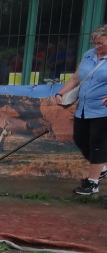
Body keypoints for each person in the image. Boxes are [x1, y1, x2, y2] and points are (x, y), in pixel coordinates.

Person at [53, 24, 107, 196]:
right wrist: (61, 93)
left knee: (98, 144)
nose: (97, 47)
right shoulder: (89, 55)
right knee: (80, 138)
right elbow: (76, 77)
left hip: (102, 110)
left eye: (100, 43)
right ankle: (102, 167)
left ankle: (93, 183)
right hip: (83, 107)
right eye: (94, 43)